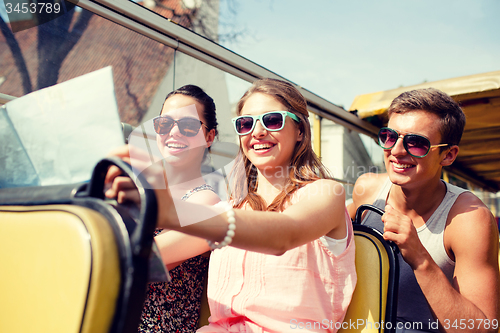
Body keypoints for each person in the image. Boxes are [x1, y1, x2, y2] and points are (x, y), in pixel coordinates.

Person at [108, 78, 357, 332]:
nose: (257, 132)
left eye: (272, 120)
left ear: (300, 130)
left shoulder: (327, 193)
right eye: (245, 124)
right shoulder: (233, 207)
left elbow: (284, 233)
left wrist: (164, 209)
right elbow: (136, 258)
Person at [349, 88, 499, 333]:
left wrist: (420, 259)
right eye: (389, 136)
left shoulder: (469, 219)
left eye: (416, 143)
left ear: (448, 155)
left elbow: (483, 330)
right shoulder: (367, 189)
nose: (396, 151)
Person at [106, 85, 220, 332]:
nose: (174, 132)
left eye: (189, 126)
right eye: (164, 123)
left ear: (209, 137)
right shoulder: (138, 187)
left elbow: (138, 264)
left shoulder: (206, 202)